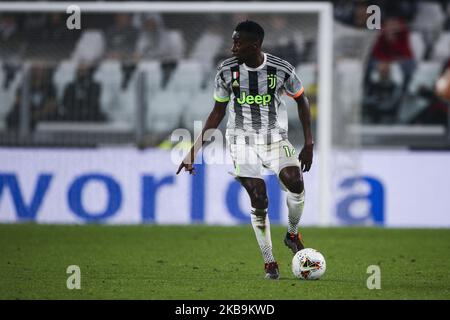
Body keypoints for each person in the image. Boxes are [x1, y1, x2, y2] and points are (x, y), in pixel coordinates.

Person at [176, 21, 313, 280]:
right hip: (241, 139)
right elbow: (217, 112)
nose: (233, 47)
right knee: (259, 197)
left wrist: (309, 143)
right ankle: (269, 261)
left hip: (274, 136)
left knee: (295, 182)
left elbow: (301, 99)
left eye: (238, 42)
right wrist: (193, 151)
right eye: (233, 41)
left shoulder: (281, 69)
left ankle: (292, 233)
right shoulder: (226, 71)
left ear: (255, 45)